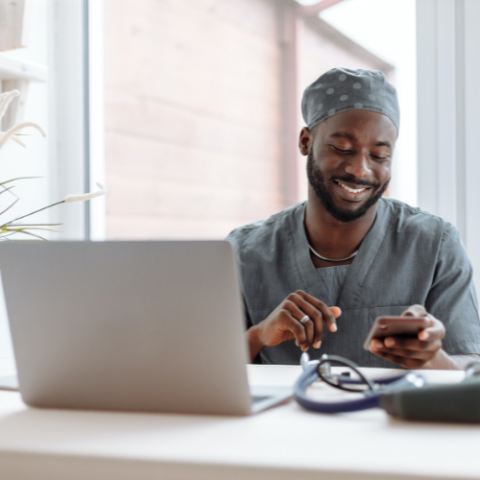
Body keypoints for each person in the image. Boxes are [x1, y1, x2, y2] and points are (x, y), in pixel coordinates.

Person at [227, 68, 480, 369]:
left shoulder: (433, 243)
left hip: (396, 417)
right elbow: (198, 371)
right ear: (306, 141)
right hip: (282, 417)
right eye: (342, 148)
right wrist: (257, 335)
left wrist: (432, 358)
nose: (360, 170)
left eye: (379, 155)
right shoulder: (243, 252)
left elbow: (470, 368)